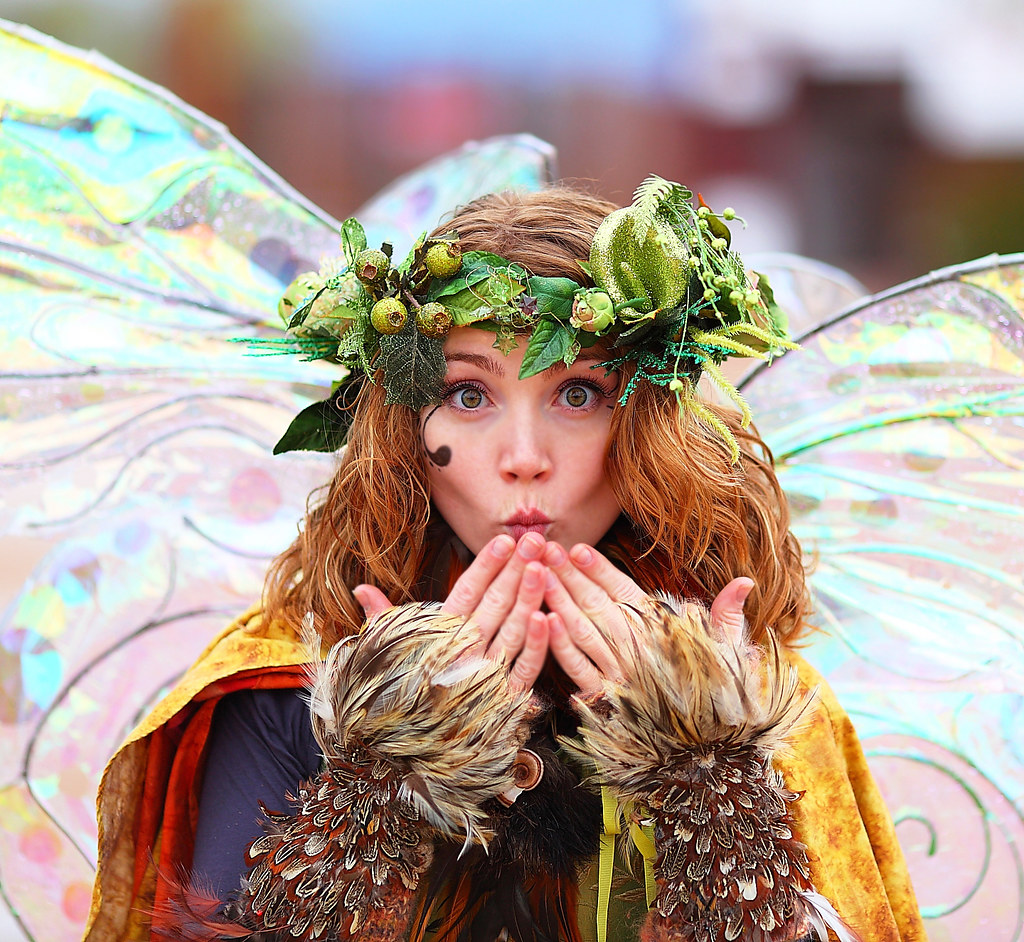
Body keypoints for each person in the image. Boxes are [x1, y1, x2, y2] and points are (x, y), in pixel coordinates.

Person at [83, 179, 926, 941]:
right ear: (402, 427)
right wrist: (378, 786)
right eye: (468, 394)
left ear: (653, 426)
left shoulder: (761, 693)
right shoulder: (281, 682)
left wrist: (709, 780)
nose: (524, 455)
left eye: (578, 393)